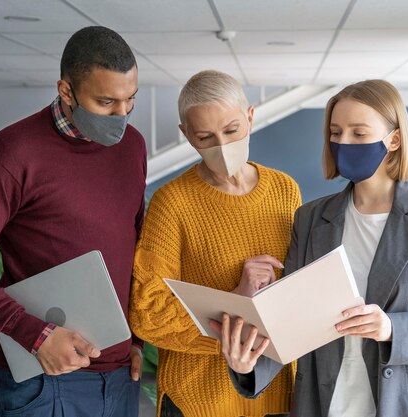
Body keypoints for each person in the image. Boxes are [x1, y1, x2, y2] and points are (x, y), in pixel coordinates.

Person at [212, 79, 408, 417]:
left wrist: (391, 329)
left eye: (358, 133)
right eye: (336, 132)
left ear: (394, 139)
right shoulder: (312, 219)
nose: (343, 142)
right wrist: (248, 365)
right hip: (330, 402)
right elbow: (294, 319)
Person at [0, 26, 146, 417]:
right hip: (39, 380)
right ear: (66, 92)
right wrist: (35, 335)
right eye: (106, 101)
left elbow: (134, 243)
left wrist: (138, 342)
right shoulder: (8, 155)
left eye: (130, 99)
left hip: (119, 380)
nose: (122, 115)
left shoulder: (133, 147)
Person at [128, 70, 300, 417]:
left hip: (277, 392)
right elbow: (147, 313)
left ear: (250, 117)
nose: (221, 146)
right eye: (205, 136)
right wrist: (235, 304)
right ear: (187, 135)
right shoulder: (172, 202)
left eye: (232, 130)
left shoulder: (285, 190)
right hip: (198, 400)